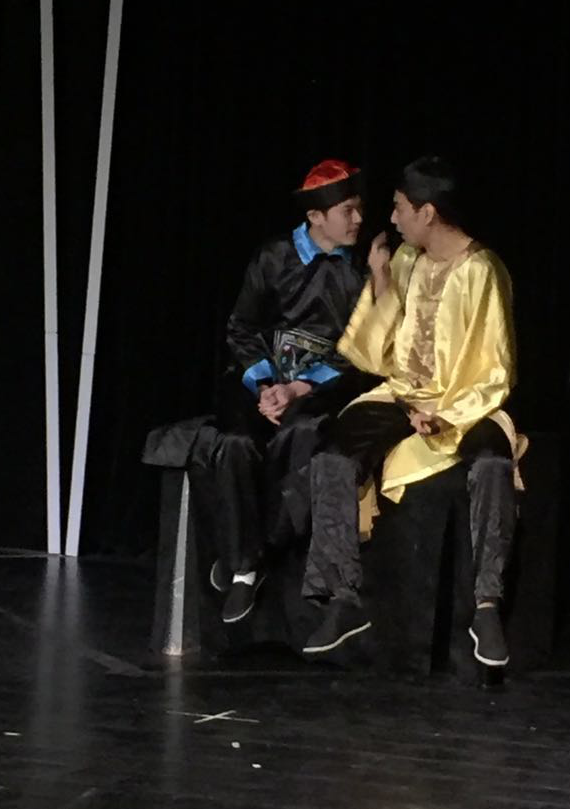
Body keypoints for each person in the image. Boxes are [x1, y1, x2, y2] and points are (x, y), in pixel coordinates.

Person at [301, 155, 521, 666]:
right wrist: (380, 279)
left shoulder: (482, 271)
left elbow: (496, 372)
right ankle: (343, 597)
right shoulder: (405, 260)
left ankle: (486, 606)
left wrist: (445, 415)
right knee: (334, 453)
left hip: (465, 403)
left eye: (400, 208)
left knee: (492, 464)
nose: (392, 218)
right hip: (403, 394)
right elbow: (378, 357)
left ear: (427, 212)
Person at [209, 159, 370, 624]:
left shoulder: (359, 271)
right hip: (260, 382)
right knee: (236, 444)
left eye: (359, 208)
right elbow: (241, 328)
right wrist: (265, 385)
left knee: (302, 436)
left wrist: (297, 388)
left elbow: (358, 350)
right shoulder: (274, 257)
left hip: (315, 390)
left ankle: (249, 559)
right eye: (347, 211)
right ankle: (245, 563)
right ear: (316, 216)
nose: (358, 219)